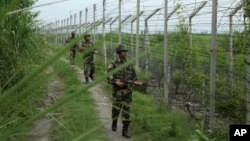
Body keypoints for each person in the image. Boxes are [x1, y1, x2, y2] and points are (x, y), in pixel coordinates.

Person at [107, 44, 144, 139]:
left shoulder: (130, 64)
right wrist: (115, 81)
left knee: (126, 111)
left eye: (125, 51)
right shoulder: (113, 64)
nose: (125, 53)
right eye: (123, 52)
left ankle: (125, 130)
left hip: (127, 91)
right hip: (117, 92)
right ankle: (114, 122)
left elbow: (134, 78)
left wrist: (135, 82)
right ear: (119, 53)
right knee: (116, 109)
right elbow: (108, 76)